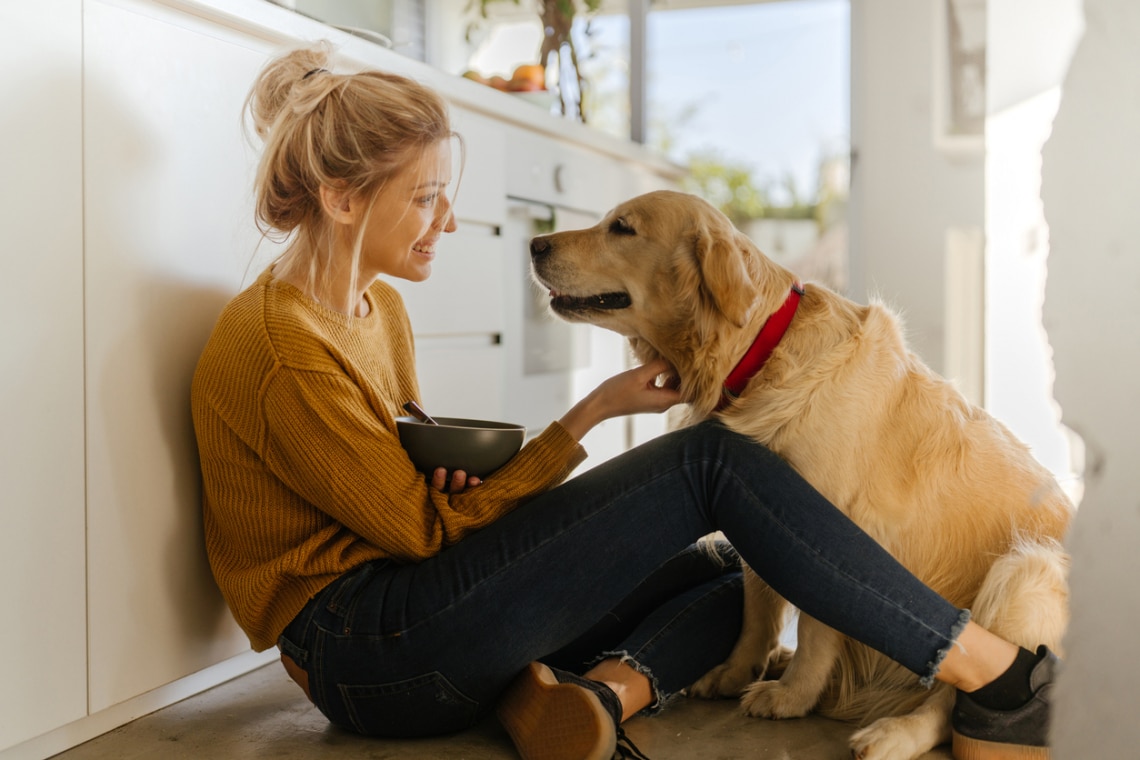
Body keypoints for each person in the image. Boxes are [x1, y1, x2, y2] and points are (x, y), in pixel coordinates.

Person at [191, 44, 1057, 760]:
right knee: (713, 459)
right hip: (369, 657)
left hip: (418, 613)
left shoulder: (374, 307)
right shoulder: (279, 349)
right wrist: (592, 412)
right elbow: (417, 533)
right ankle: (994, 672)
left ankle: (595, 699)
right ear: (342, 199)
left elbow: (393, 492)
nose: (446, 221)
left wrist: (456, 482)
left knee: (737, 564)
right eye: (425, 197)